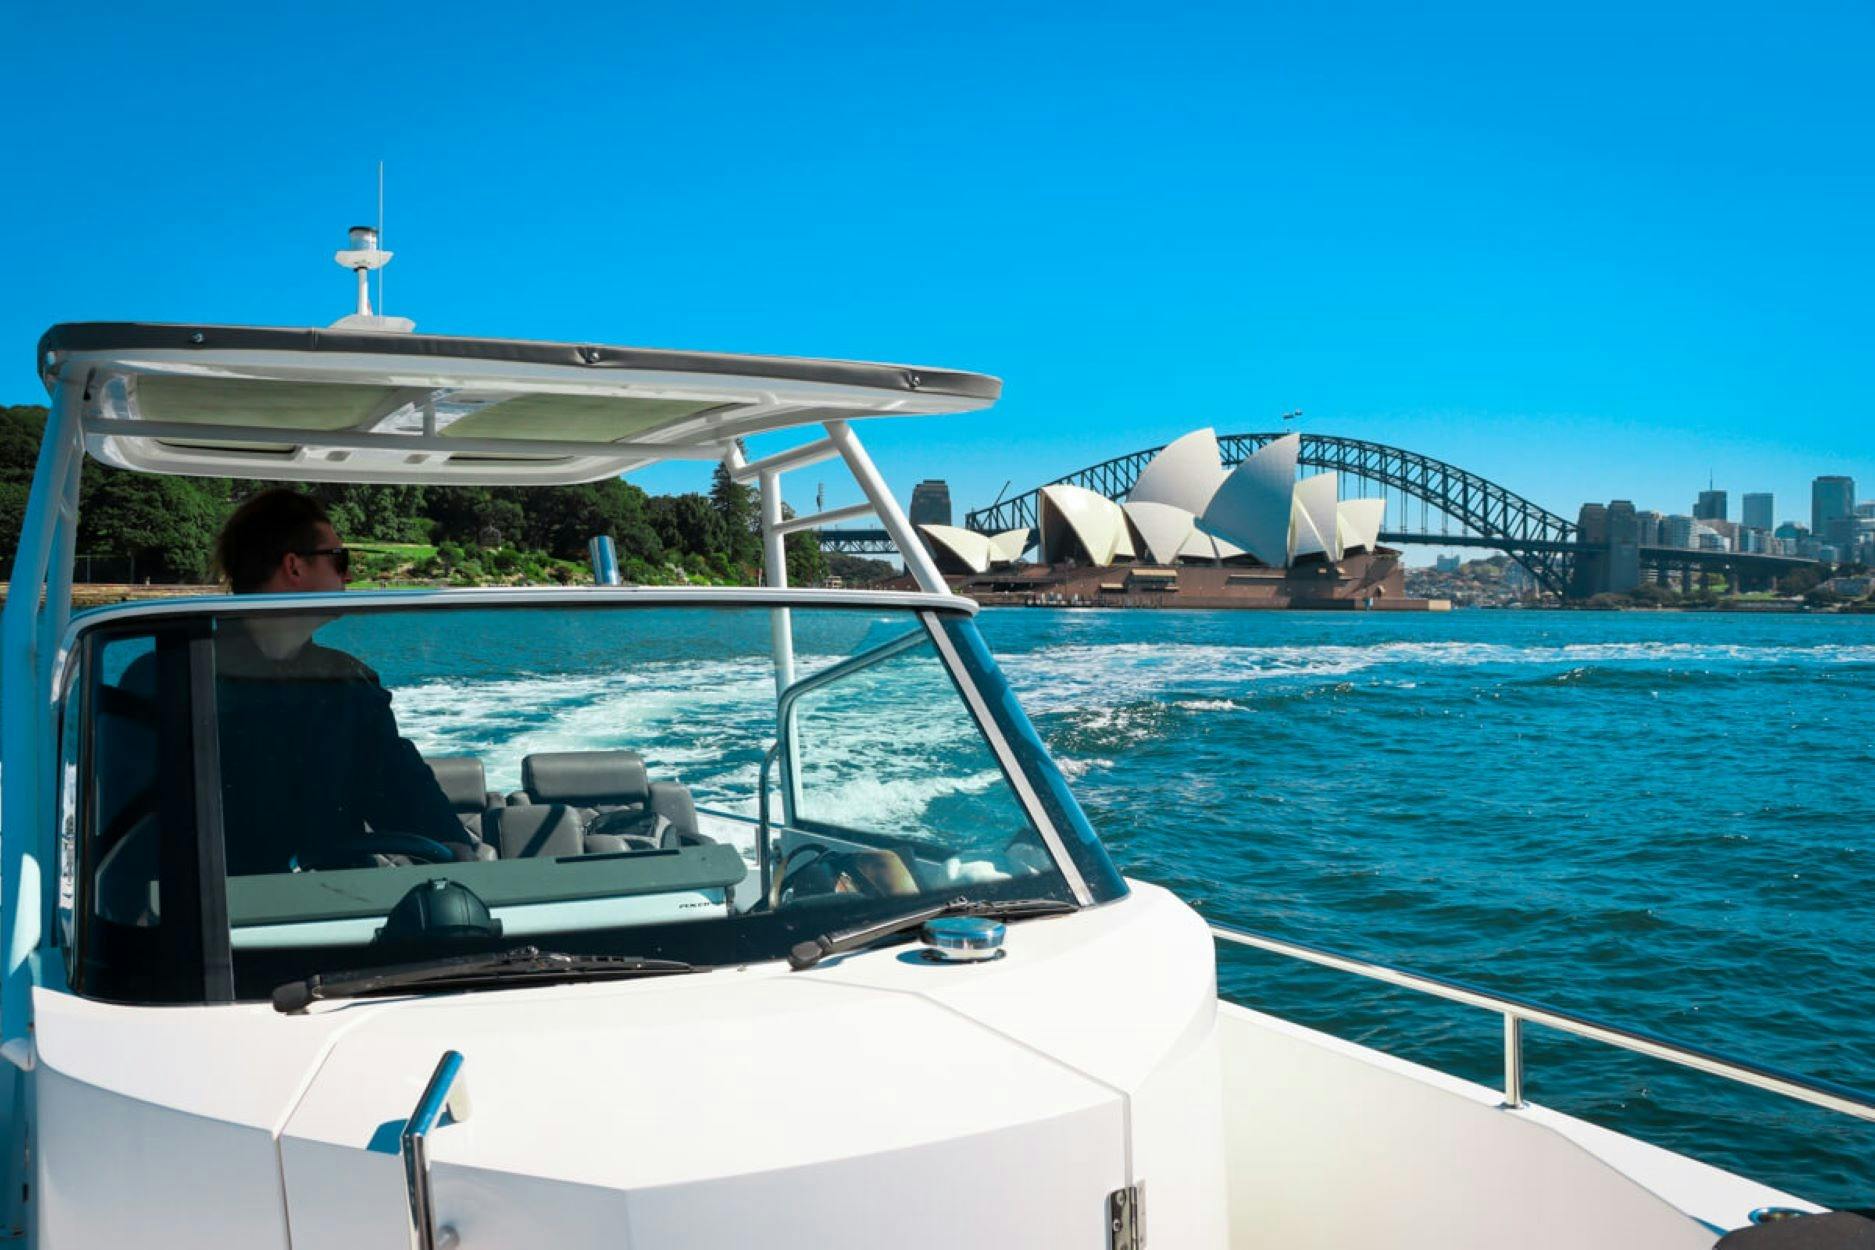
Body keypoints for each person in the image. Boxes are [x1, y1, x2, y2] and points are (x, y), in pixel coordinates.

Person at [210, 488, 480, 873]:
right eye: (339, 560)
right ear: (295, 567)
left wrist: (454, 848)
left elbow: (398, 782)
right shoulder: (178, 679)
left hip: (336, 907)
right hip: (216, 915)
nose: (349, 574)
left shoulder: (348, 683)